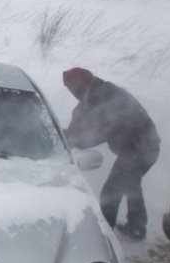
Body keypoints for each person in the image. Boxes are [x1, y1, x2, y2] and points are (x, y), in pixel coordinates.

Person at [62, 67, 160, 240]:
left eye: (71, 88)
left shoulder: (103, 97)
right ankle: (137, 228)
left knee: (110, 193)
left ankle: (102, 238)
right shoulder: (96, 93)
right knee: (131, 185)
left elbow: (98, 131)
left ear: (78, 85)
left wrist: (74, 141)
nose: (71, 92)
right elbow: (81, 124)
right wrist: (67, 135)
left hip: (140, 150)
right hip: (143, 147)